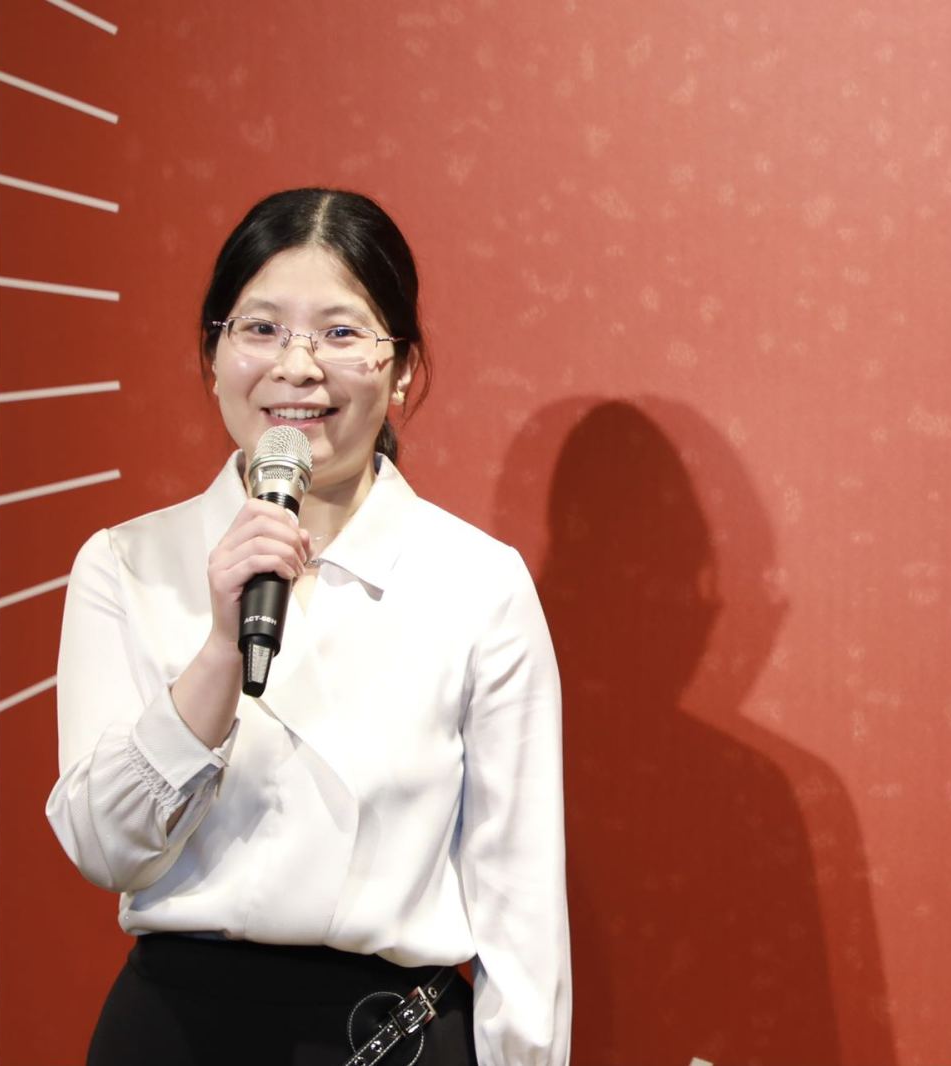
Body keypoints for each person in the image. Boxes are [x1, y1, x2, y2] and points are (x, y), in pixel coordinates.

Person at [46, 187, 571, 1066]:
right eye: (260, 329)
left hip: (384, 1037)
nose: (297, 366)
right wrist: (221, 647)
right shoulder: (127, 563)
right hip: (175, 1035)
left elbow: (519, 901)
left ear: (400, 369)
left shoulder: (477, 582)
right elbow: (104, 846)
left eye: (339, 332)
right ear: (213, 357)